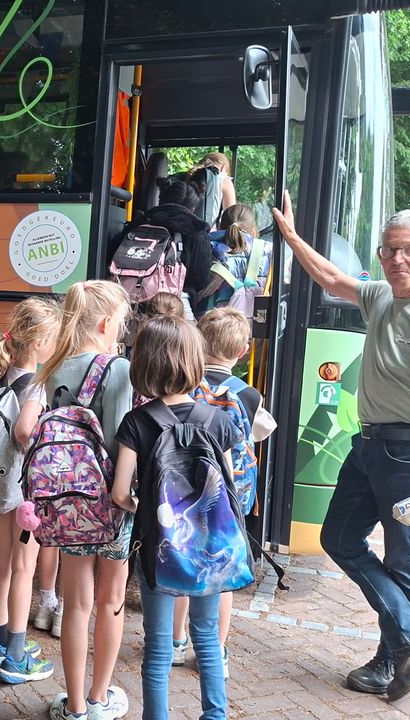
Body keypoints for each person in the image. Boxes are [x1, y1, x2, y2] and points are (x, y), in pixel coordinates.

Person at [272, 194, 410, 701]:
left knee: (406, 560)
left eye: (409, 250)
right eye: (389, 250)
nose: (396, 259)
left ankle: (393, 661)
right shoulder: (383, 295)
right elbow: (331, 278)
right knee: (339, 538)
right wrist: (293, 238)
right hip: (369, 445)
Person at [111, 315, 239, 720]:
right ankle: (215, 715)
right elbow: (228, 489)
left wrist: (153, 513)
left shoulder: (137, 422)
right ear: (195, 360)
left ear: (144, 364)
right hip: (208, 551)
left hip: (158, 550)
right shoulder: (218, 421)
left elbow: (119, 493)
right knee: (207, 638)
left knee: (158, 646)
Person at [38, 280, 134, 720]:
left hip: (69, 505)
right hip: (113, 505)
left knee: (75, 604)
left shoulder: (54, 367)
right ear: (104, 324)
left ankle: (73, 706)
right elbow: (120, 441)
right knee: (111, 600)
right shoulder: (117, 369)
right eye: (121, 323)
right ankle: (99, 700)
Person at [169, 307, 277, 676]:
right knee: (223, 569)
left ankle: (176, 641)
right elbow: (260, 432)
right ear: (243, 351)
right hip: (230, 492)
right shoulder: (249, 394)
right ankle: (215, 651)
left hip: (186, 486)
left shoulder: (185, 383)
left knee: (184, 559)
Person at [0, 298, 61, 684]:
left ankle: (0, 643)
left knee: (3, 561)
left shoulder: (5, 375)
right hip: (24, 490)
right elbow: (24, 430)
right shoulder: (37, 385)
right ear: (40, 343)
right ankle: (15, 656)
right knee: (23, 568)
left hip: (3, 484)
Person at [142, 180, 212, 319]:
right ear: (193, 208)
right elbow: (200, 280)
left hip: (133, 297)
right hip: (175, 306)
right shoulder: (197, 232)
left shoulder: (141, 221)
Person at [201, 204, 271, 311]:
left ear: (219, 227)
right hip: (258, 319)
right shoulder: (269, 251)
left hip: (215, 319)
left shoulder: (207, 248)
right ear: (253, 230)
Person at [186, 152, 236, 228]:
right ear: (224, 167)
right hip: (208, 231)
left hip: (184, 228)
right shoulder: (224, 180)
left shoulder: (189, 175)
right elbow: (231, 216)